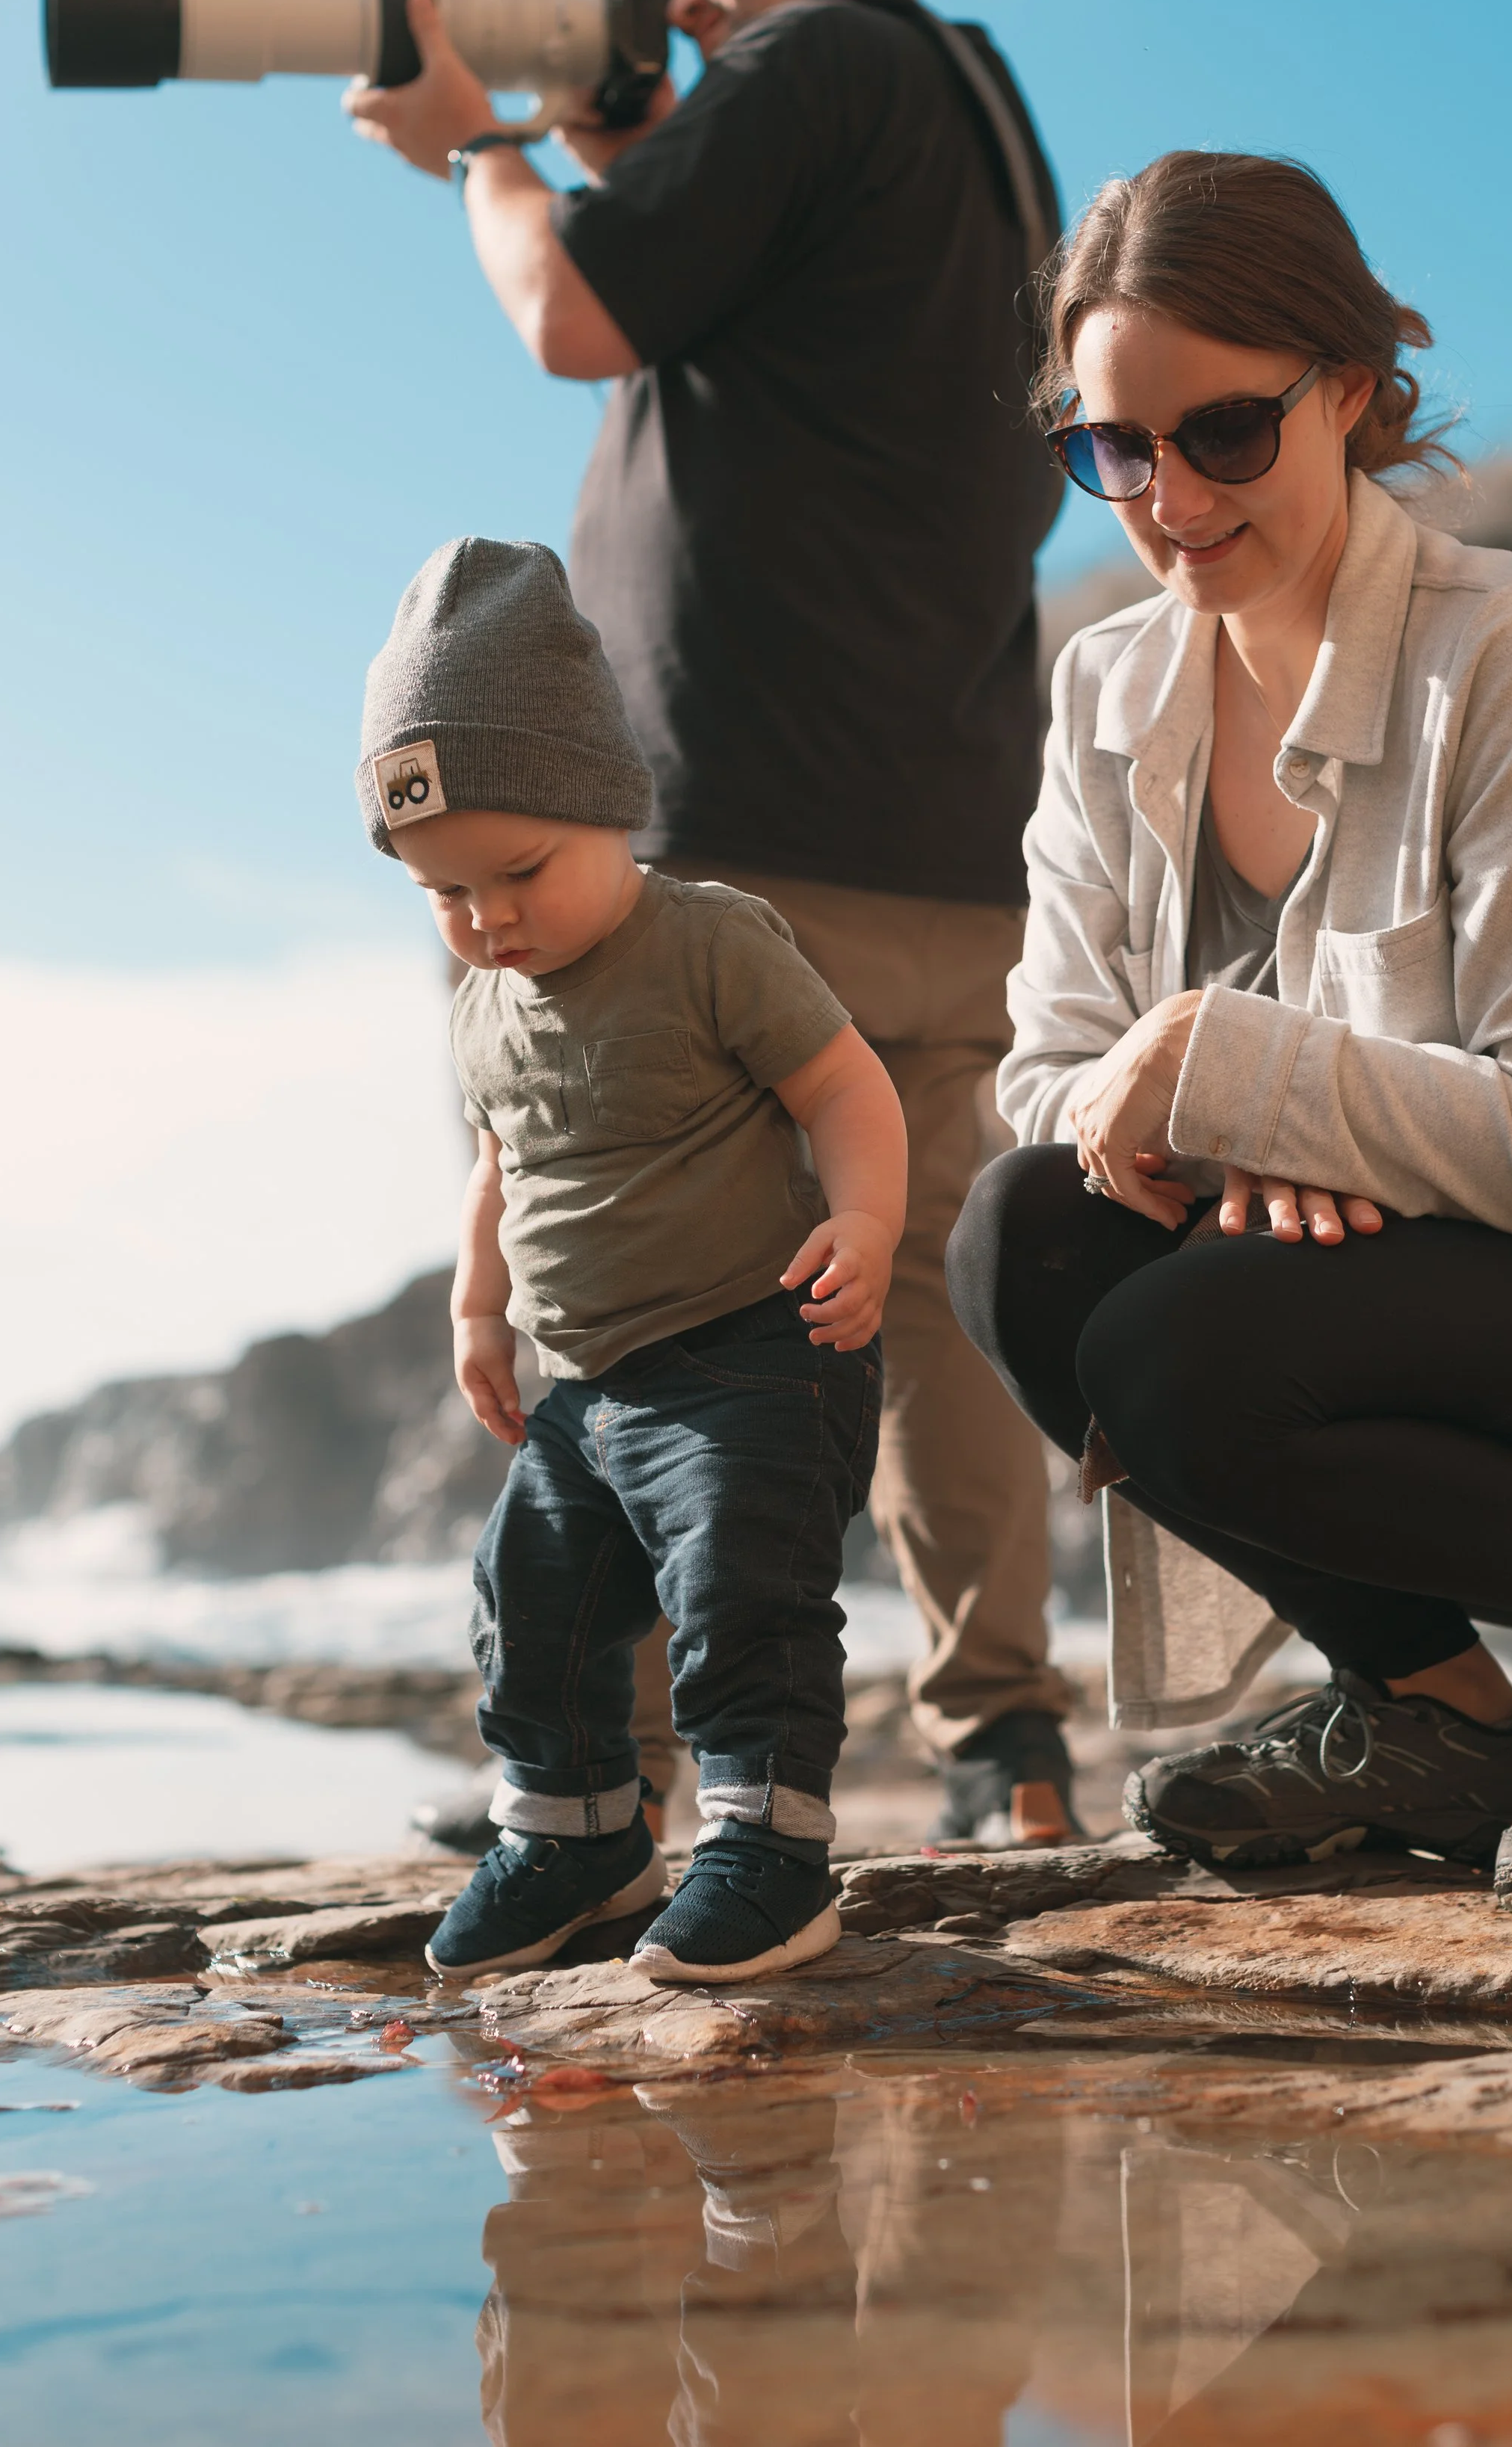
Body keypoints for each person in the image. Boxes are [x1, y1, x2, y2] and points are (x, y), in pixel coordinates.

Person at [347, 0, 1078, 1848]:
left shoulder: (819, 52)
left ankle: (615, 1769)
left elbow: (577, 311)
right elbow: (757, 303)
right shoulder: (980, 131)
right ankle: (1005, 1746)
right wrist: (637, 138)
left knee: (647, 1275)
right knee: (919, 1297)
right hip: (949, 840)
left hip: (742, 820)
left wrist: (478, 147)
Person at [946, 149, 1512, 1921]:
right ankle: (1439, 1715)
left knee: (1181, 1344)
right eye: (1113, 450)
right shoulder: (1105, 692)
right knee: (1023, 1242)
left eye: (1222, 432)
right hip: (1353, 1297)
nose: (1169, 498)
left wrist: (1231, 1070)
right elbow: (1048, 1082)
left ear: (1344, 390)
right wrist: (1225, 1129)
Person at [359, 535, 904, 1982]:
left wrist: (865, 1225)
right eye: (445, 893)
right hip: (584, 1386)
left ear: (607, 804)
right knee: (529, 1603)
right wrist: (479, 1309)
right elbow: (499, 1166)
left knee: (741, 1602)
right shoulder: (483, 1005)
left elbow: (845, 1086)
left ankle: (769, 1853)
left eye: (519, 872)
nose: (489, 919)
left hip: (751, 1357)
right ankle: (577, 1839)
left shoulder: (708, 942)